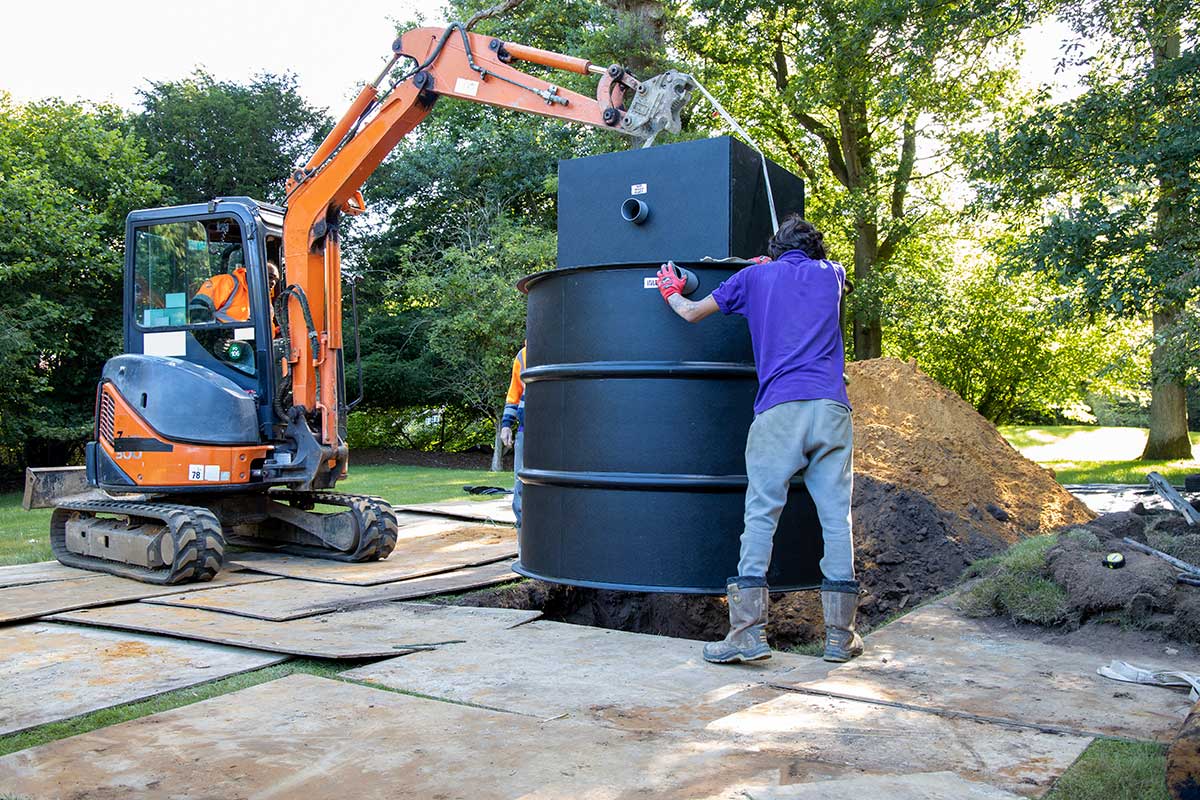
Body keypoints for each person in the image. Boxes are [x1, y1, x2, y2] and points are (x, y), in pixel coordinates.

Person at [655, 214, 860, 665]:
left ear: (773, 249)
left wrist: (671, 290)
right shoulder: (833, 274)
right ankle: (840, 638)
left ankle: (747, 634)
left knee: (762, 515)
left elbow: (691, 314)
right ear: (814, 250)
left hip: (779, 411)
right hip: (831, 409)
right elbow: (825, 284)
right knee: (836, 520)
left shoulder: (753, 278)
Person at [500, 342, 527, 528]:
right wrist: (506, 425)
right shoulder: (523, 355)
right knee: (521, 485)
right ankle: (523, 548)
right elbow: (514, 394)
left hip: (557, 432)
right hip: (527, 430)